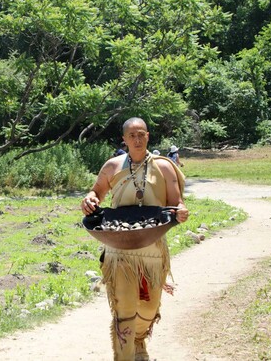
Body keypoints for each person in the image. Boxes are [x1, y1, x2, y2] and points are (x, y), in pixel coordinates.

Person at [81, 117, 189, 361]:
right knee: (125, 309)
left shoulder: (164, 167)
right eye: (132, 135)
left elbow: (176, 202)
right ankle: (125, 356)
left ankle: (139, 339)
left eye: (142, 134)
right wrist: (89, 200)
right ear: (124, 139)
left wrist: (180, 211)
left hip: (152, 247)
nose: (137, 139)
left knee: (149, 309)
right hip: (119, 249)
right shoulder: (112, 166)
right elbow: (95, 192)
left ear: (148, 136)